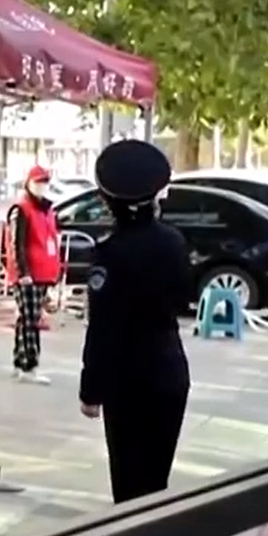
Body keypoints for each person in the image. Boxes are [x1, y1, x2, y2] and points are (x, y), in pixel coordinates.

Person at [78, 140, 194, 504]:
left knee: (129, 486)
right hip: (169, 371)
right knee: (156, 481)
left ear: (106, 200)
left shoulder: (111, 253)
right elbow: (182, 299)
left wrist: (91, 389)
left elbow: (104, 328)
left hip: (128, 382)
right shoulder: (173, 241)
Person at [5, 165, 62, 383]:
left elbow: (51, 240)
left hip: (43, 273)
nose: (42, 186)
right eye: (38, 182)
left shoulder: (46, 209)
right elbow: (16, 243)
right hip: (28, 275)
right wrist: (23, 272)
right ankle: (29, 365)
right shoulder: (21, 209)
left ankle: (20, 361)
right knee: (30, 321)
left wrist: (55, 270)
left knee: (27, 319)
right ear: (28, 184)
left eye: (45, 182)